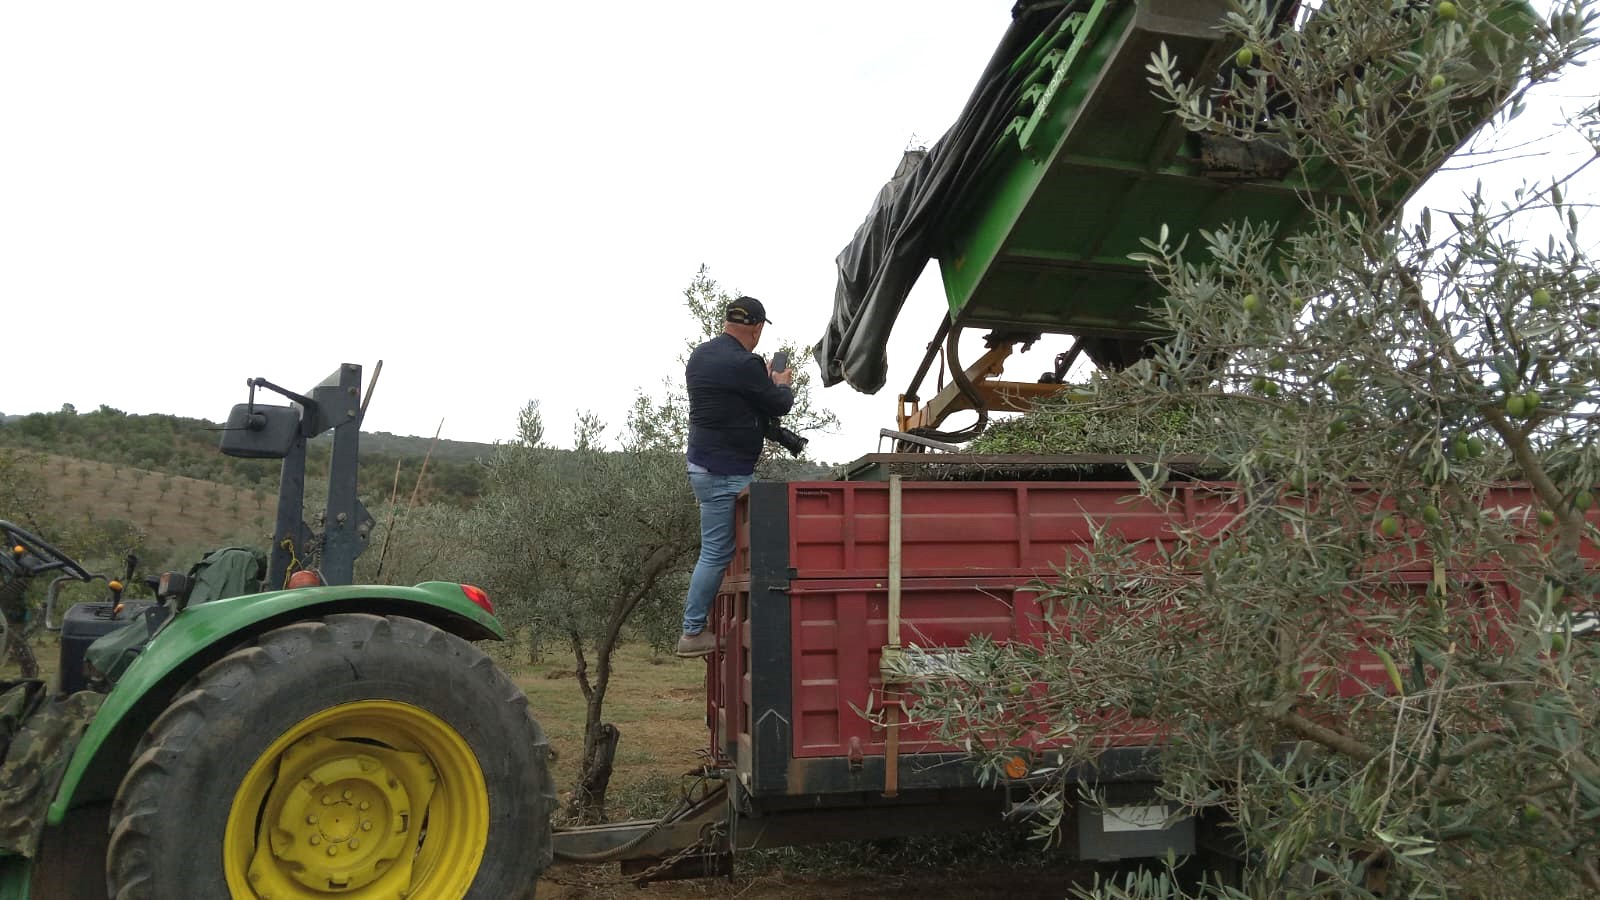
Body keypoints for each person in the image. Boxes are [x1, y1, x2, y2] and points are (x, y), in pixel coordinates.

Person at [676, 297, 793, 657]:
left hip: (702, 466)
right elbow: (778, 405)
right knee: (723, 551)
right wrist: (781, 383)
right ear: (757, 329)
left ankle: (699, 628)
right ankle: (693, 632)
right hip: (728, 473)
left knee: (717, 550)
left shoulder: (700, 356)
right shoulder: (746, 364)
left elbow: (737, 402)